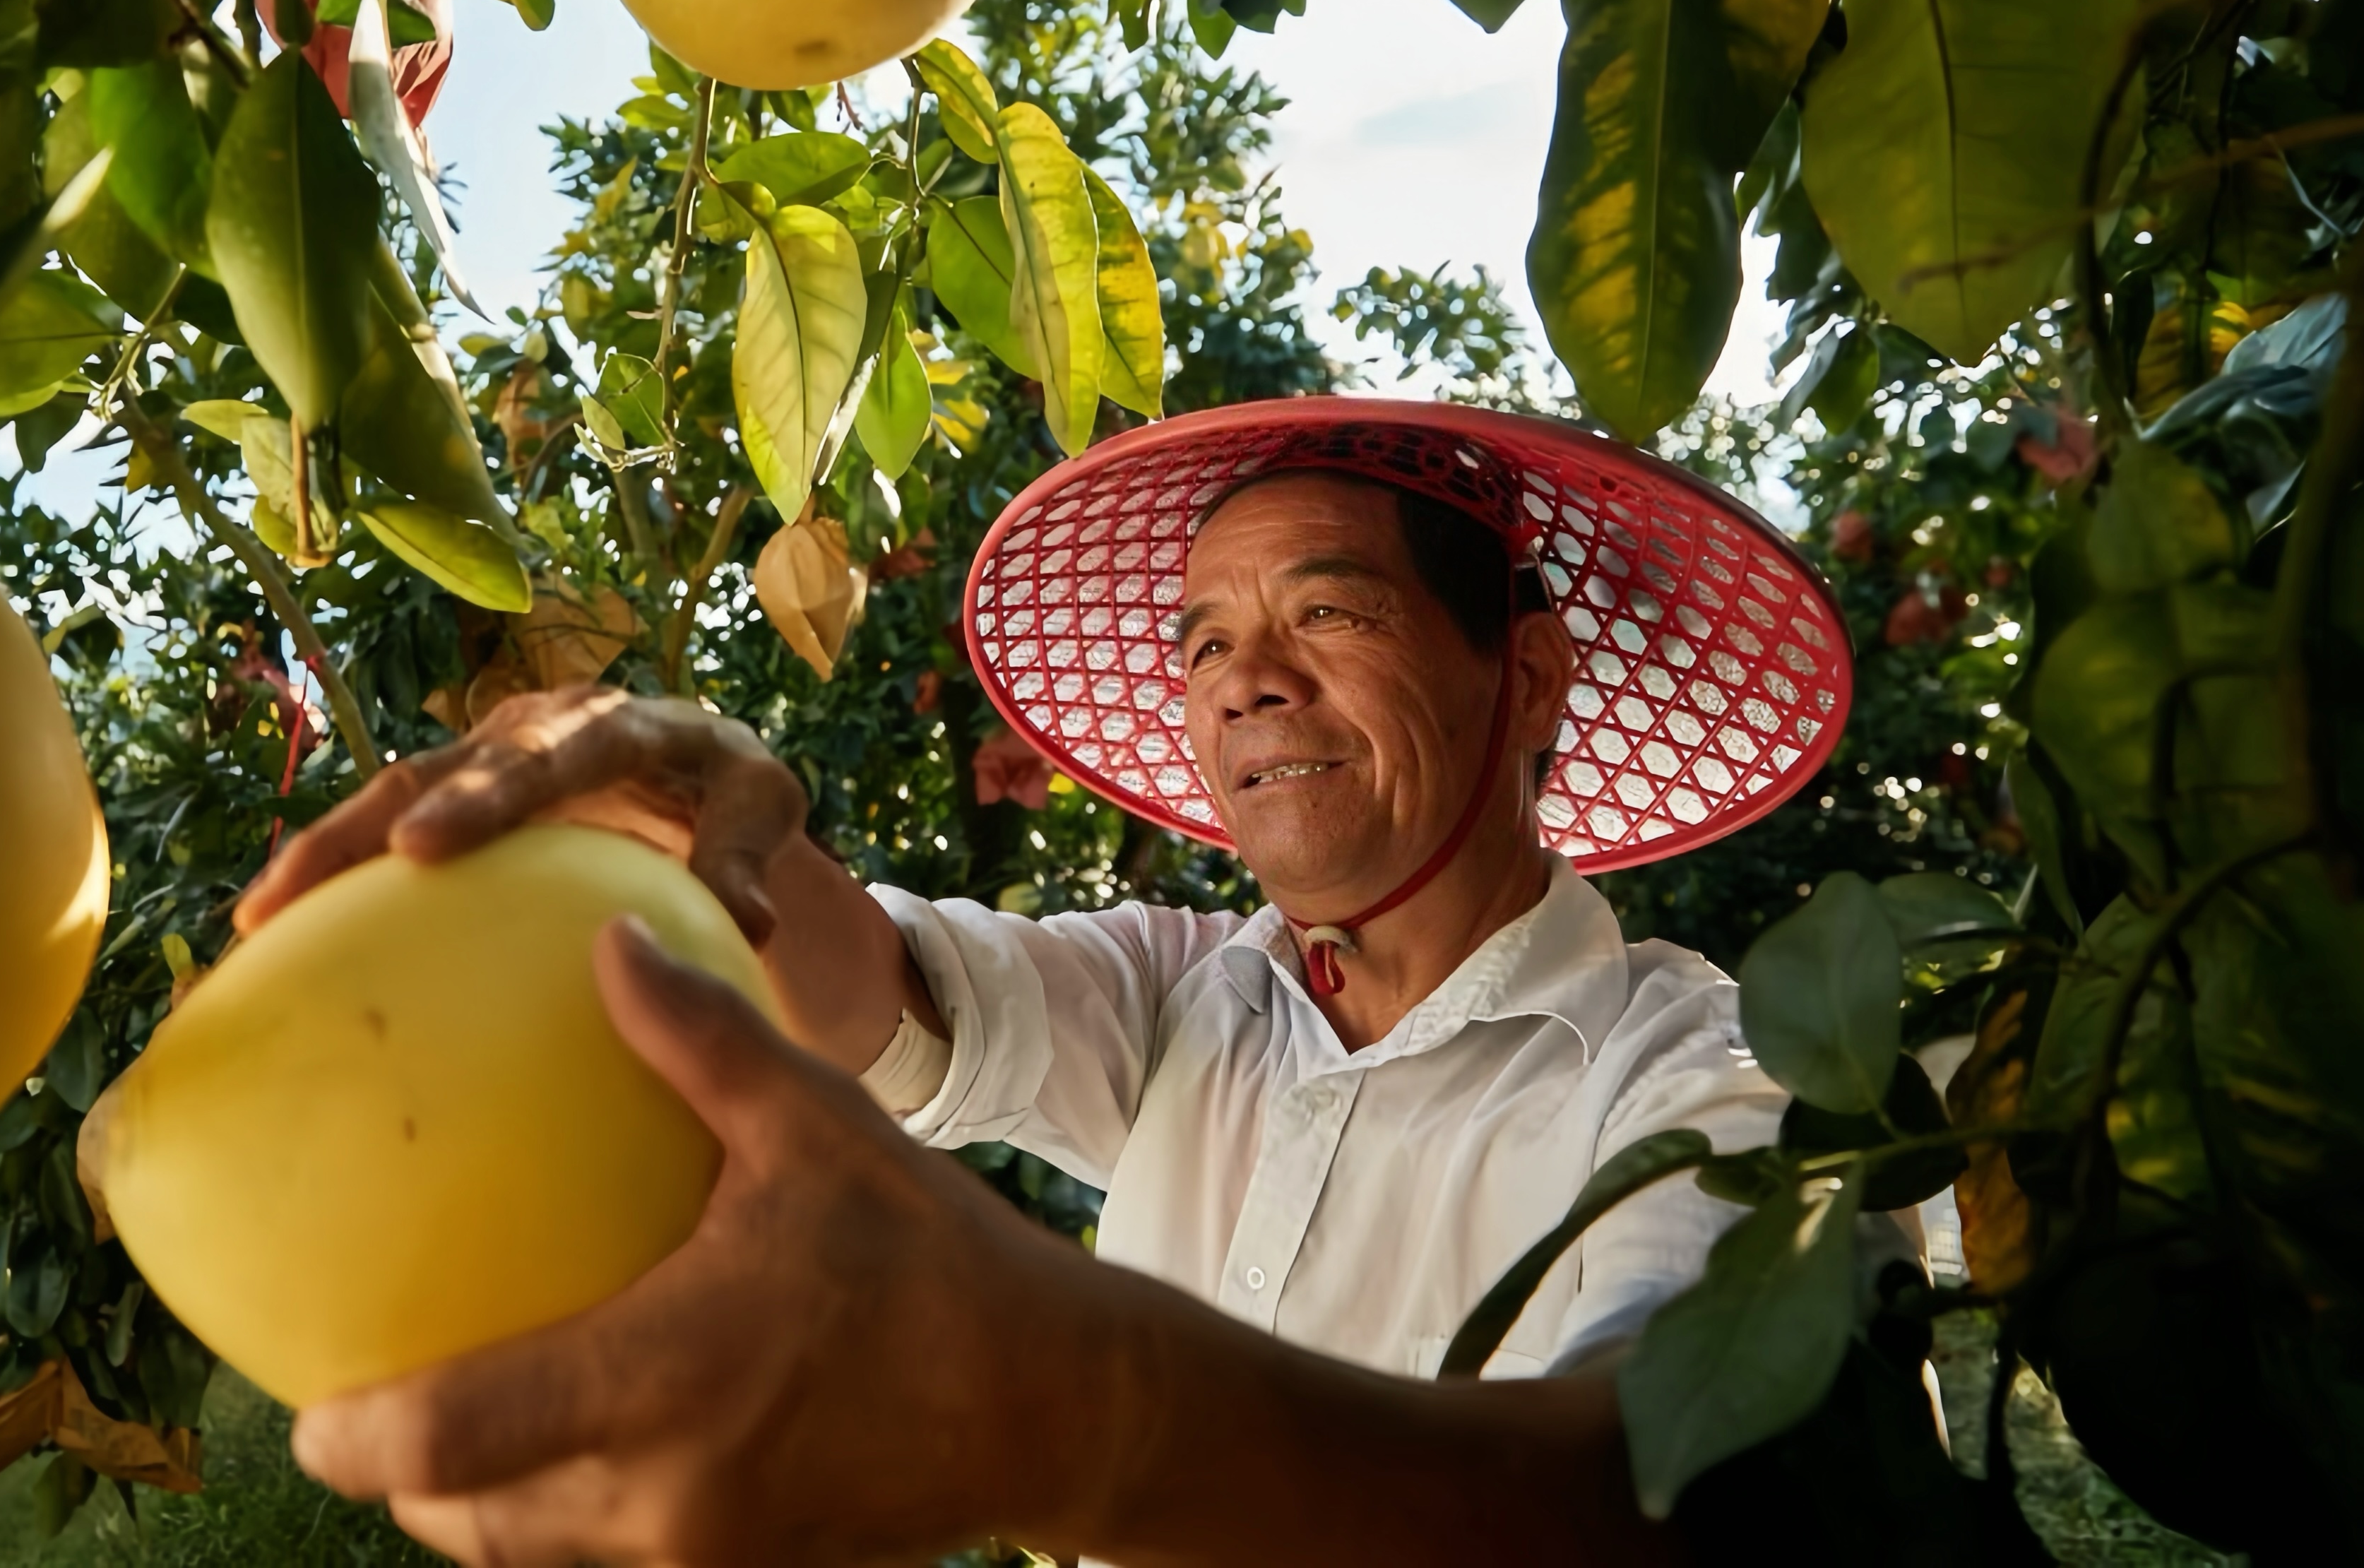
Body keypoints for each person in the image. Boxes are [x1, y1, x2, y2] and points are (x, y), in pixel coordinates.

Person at [239, 400, 1860, 1564]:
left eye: (1329, 611)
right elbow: (876, 993)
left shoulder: (1701, 1079)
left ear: (1533, 676)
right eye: (1205, 644)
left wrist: (1086, 1408)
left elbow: (1679, 1488)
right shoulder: (1185, 995)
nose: (1248, 687)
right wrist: (692, 811)